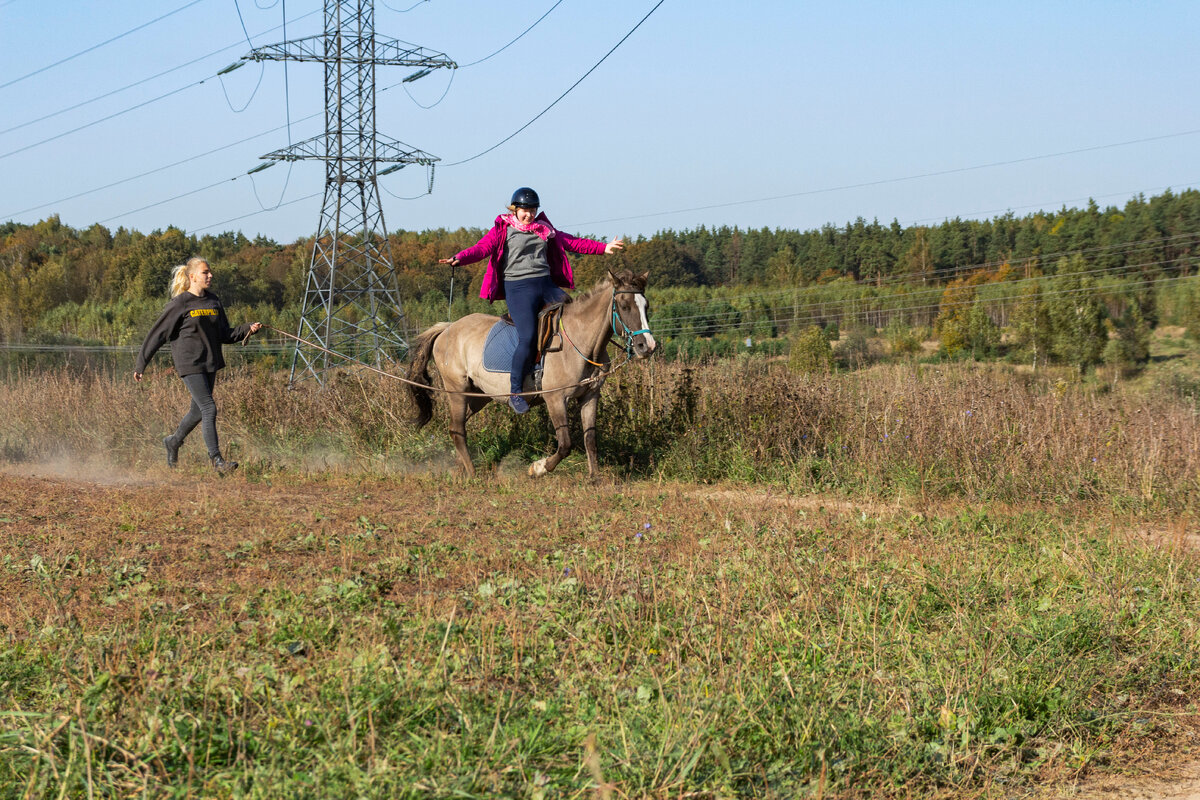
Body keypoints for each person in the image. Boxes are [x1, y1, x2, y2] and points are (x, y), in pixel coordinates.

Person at [439, 187, 624, 413]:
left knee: (574, 317)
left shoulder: (545, 229)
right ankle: (516, 391)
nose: (529, 214)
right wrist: (460, 258)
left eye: (533, 210)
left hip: (545, 285)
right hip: (518, 287)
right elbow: (482, 248)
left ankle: (567, 375)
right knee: (527, 336)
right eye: (525, 210)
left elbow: (572, 242)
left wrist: (604, 247)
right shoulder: (503, 230)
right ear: (515, 210)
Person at [133, 256, 263, 473]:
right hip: (189, 363)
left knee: (197, 412)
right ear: (192, 277)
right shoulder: (180, 303)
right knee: (209, 407)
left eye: (210, 272)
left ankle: (173, 442)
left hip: (210, 363)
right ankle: (217, 461)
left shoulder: (214, 302)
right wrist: (141, 364)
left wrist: (247, 328)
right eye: (205, 272)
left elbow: (225, 334)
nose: (210, 275)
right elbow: (157, 335)